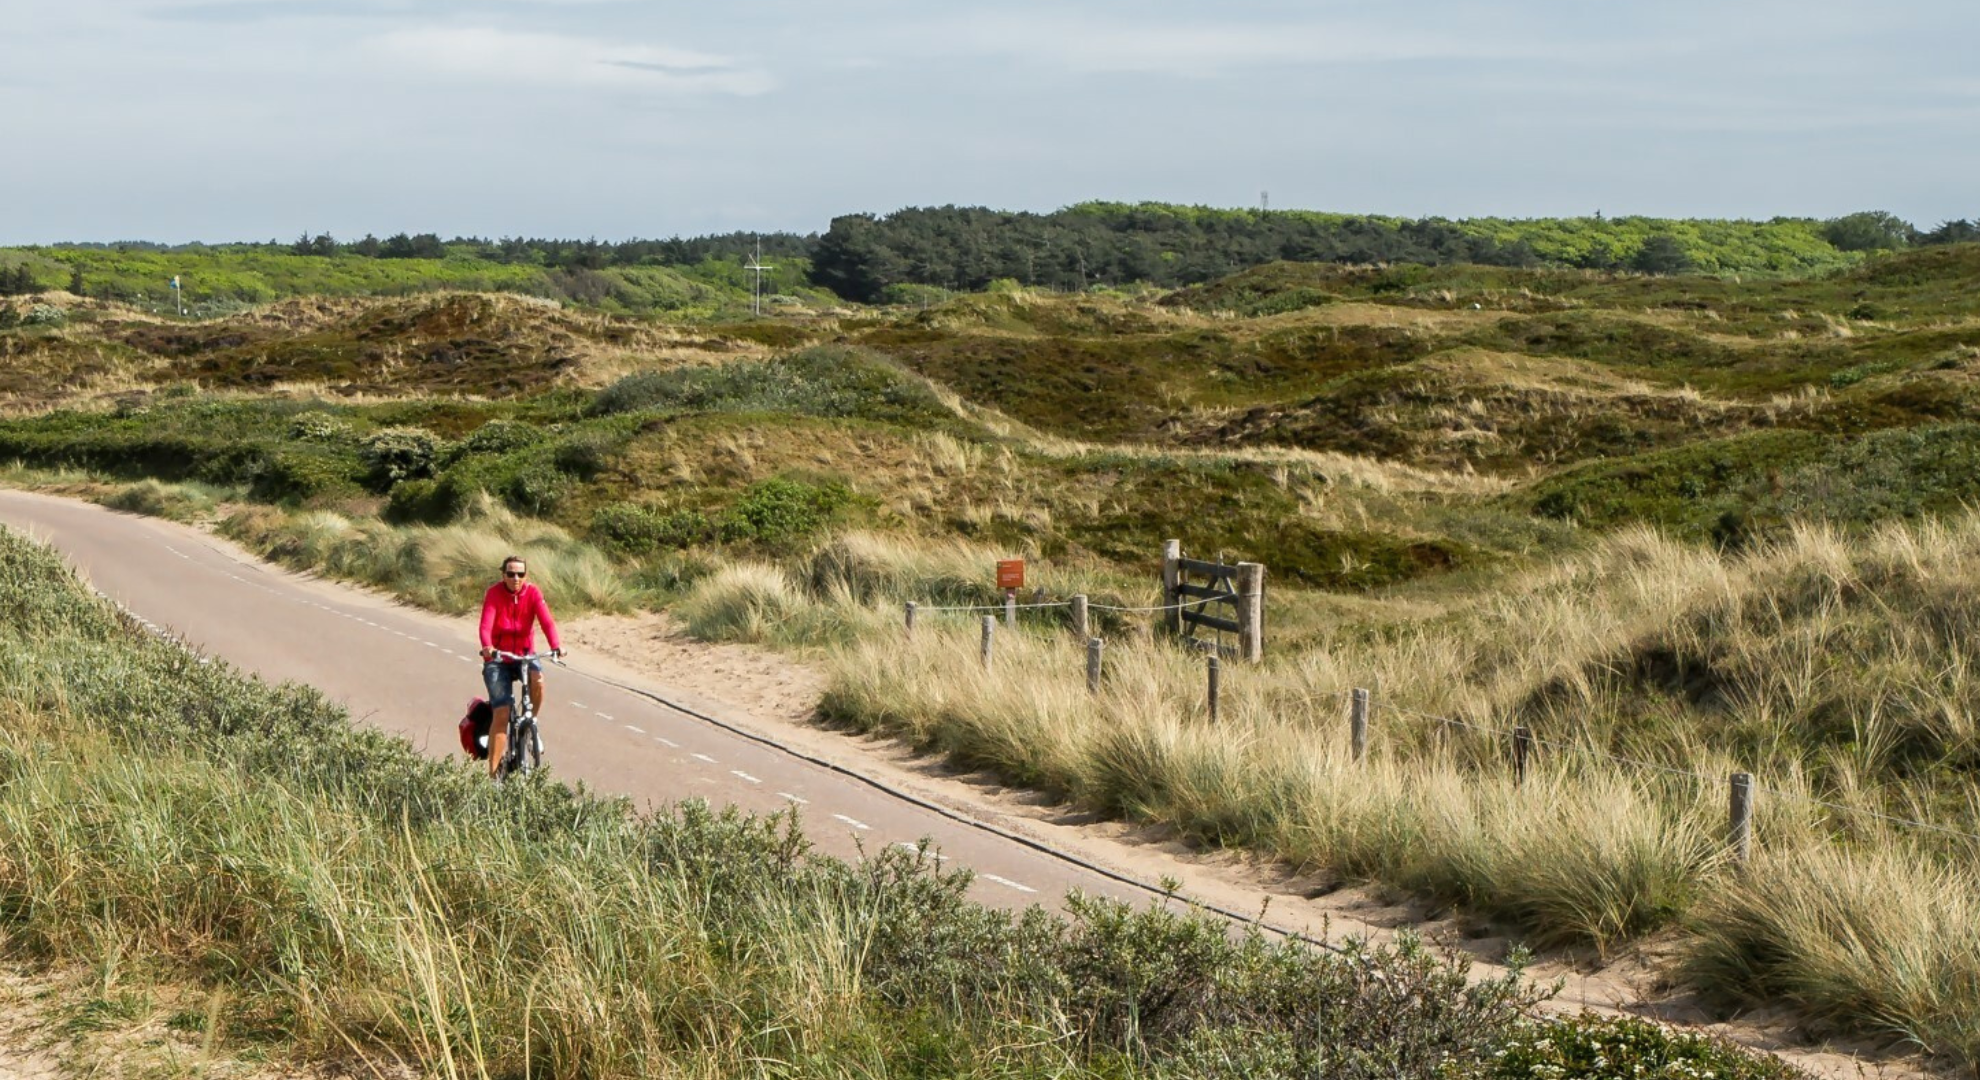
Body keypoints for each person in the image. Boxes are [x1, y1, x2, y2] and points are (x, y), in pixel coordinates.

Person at [478, 554, 565, 778]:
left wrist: (556, 645)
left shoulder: (533, 593)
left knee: (539, 680)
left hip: (524, 655)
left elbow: (547, 621)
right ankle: (494, 776)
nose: (516, 578)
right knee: (502, 713)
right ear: (503, 575)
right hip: (499, 658)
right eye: (510, 574)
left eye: (520, 574)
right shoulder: (494, 594)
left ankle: (531, 724)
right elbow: (485, 625)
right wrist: (488, 647)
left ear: (526, 575)